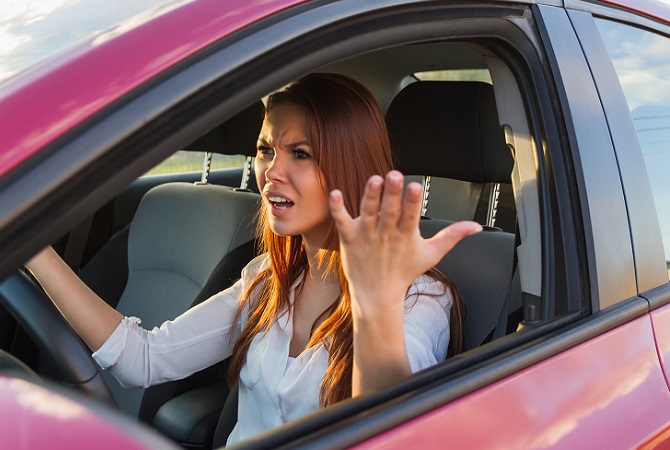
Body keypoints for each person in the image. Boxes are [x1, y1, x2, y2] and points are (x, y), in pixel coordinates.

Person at [25, 73, 482, 444]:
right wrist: (30, 248)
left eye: (299, 153)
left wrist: (374, 300)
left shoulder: (421, 298)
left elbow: (388, 432)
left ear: (349, 165)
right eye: (266, 149)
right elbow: (144, 358)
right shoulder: (268, 279)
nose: (271, 172)